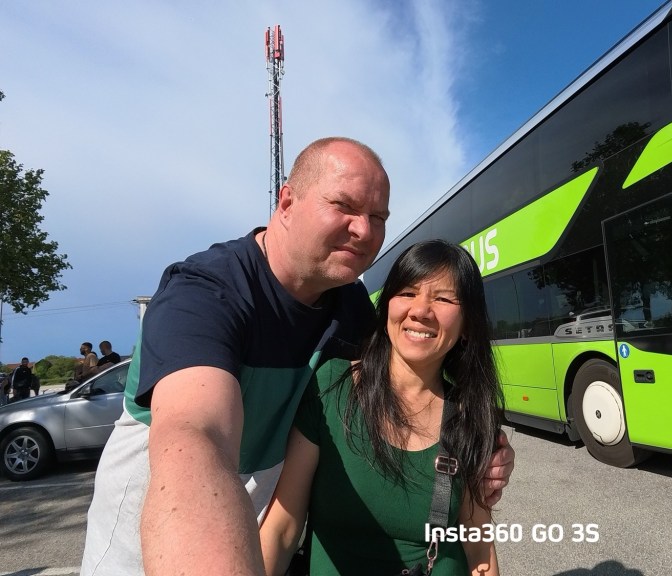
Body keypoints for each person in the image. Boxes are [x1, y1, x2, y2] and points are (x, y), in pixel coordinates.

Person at [80, 137, 515, 576]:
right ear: (287, 202)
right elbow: (197, 436)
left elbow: (415, 376)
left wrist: (484, 448)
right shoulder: (205, 294)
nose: (365, 231)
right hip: (154, 551)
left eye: (378, 217)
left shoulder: (350, 307)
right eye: (344, 206)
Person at [261, 240, 503, 575]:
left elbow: (478, 545)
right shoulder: (331, 386)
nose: (420, 310)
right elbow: (281, 529)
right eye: (407, 293)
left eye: (443, 298)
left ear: (468, 325)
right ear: (387, 305)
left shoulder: (470, 415)